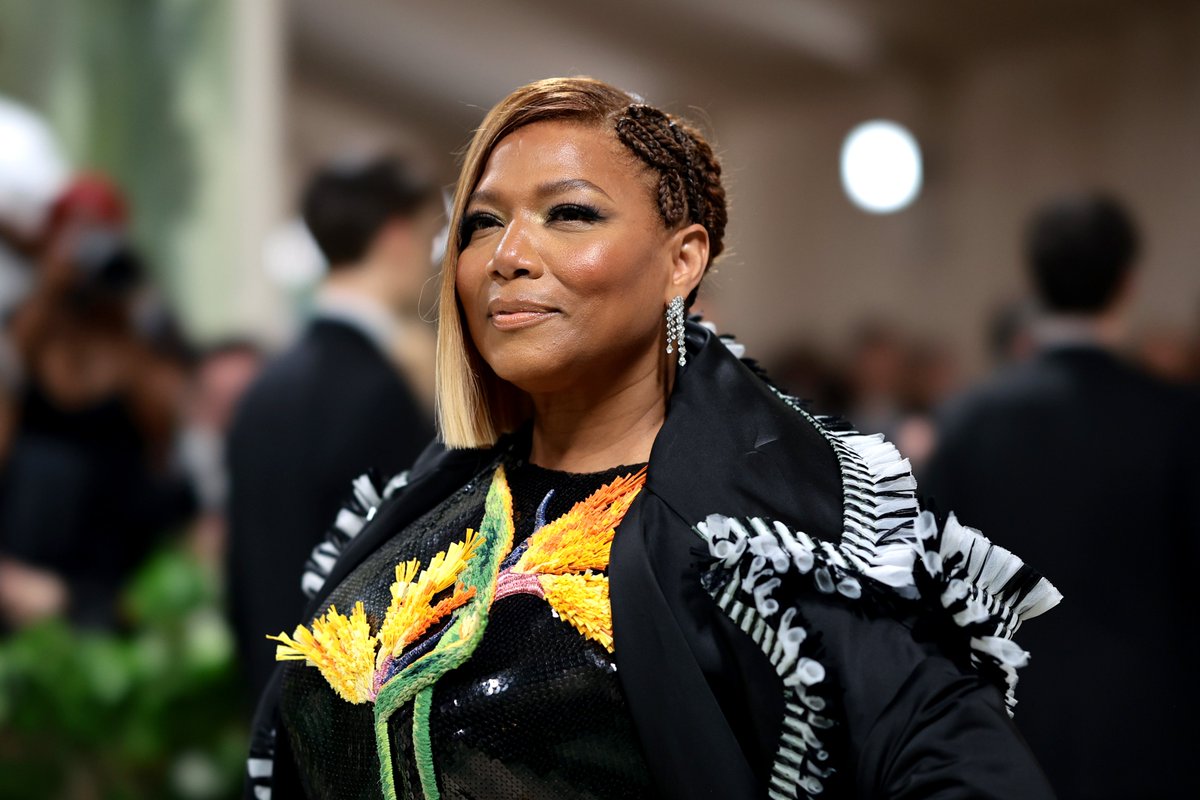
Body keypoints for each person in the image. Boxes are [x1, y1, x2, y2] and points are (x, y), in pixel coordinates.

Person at [245, 78, 1060, 800]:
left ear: (683, 260)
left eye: (569, 214)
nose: (509, 255)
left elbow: (961, 763)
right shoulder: (420, 514)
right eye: (482, 223)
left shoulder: (777, 533)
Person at [923, 194, 1200, 798]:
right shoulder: (1178, 420)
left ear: (1034, 281)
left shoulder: (968, 422)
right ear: (1128, 282)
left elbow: (933, 588)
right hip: (1153, 731)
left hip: (1010, 727)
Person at [227, 155, 441, 701]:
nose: (431, 258)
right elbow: (403, 572)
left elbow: (240, 574)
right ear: (396, 237)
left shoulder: (264, 388)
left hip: (270, 697)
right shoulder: (378, 392)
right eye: (428, 236)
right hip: (348, 712)